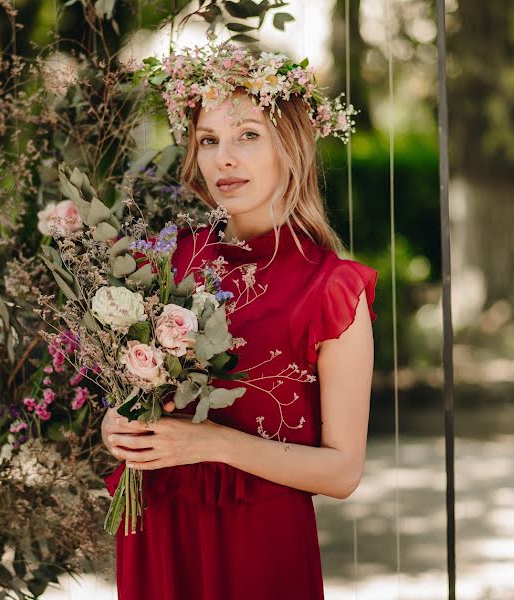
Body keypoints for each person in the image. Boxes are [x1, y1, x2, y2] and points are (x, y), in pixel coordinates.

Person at [102, 41, 377, 600]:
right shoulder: (165, 260)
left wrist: (210, 444)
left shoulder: (331, 289)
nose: (224, 158)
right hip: (158, 533)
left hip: (257, 549)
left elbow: (343, 472)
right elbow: (133, 397)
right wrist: (118, 428)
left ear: (290, 146)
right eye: (209, 140)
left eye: (248, 134)